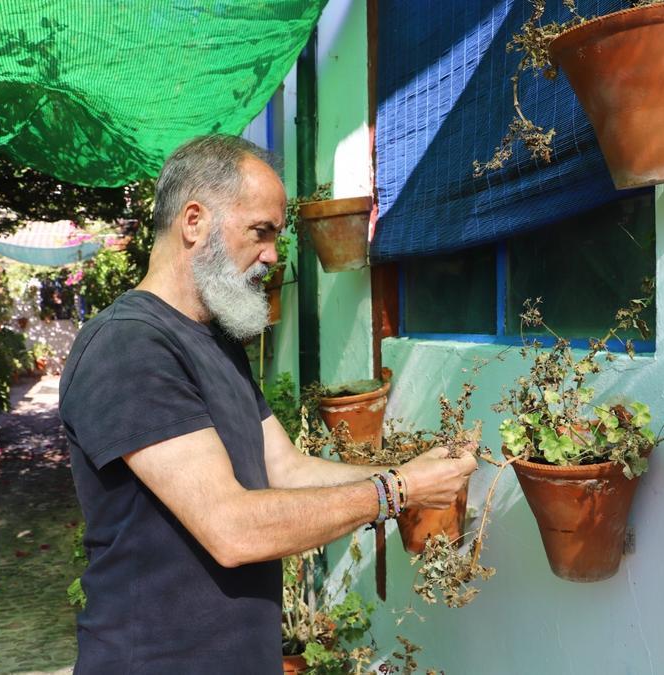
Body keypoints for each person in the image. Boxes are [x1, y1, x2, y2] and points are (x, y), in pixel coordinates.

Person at [59, 134, 477, 674]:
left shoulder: (215, 340)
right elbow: (231, 529)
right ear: (194, 221)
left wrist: (411, 473)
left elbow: (285, 467)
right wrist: (397, 491)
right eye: (260, 232)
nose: (272, 256)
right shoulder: (130, 346)